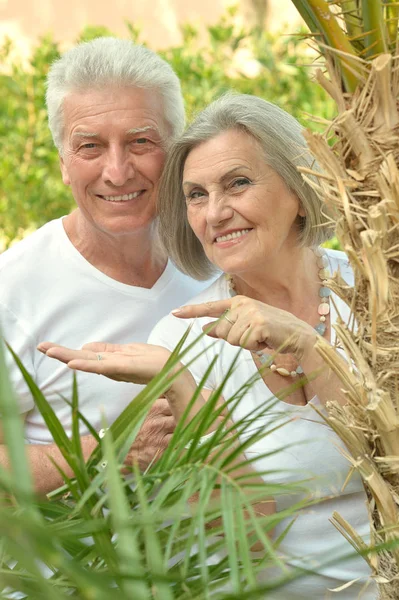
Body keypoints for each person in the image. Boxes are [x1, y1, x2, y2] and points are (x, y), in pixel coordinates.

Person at [40, 94, 376, 598]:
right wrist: (185, 389)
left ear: (300, 188)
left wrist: (309, 347)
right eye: (196, 195)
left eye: (237, 183)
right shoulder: (181, 340)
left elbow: (384, 457)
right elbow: (244, 540)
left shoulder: (375, 291)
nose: (215, 213)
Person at [0, 37, 210, 495]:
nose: (117, 172)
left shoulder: (221, 259)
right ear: (62, 164)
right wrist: (112, 449)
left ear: (176, 149)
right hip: (86, 566)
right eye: (90, 146)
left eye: (140, 141)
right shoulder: (10, 291)